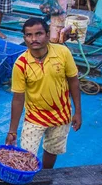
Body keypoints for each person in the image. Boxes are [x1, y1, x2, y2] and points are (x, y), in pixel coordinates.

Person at [6, 18, 82, 169]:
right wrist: (12, 131)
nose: (34, 39)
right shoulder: (20, 65)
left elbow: (74, 81)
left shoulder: (63, 53)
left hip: (62, 115)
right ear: (24, 38)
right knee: (26, 156)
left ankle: (46, 176)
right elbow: (18, 99)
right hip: (34, 116)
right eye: (29, 35)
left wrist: (78, 112)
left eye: (39, 34)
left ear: (47, 35)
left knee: (52, 150)